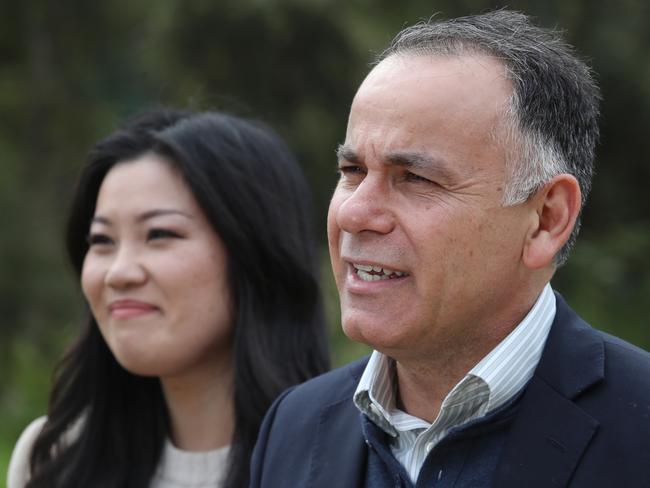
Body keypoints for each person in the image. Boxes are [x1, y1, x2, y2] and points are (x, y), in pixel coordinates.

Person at [250, 9, 650, 487]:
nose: (354, 214)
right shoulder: (294, 426)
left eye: (415, 179)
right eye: (352, 172)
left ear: (546, 219)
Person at [7, 108, 330, 488]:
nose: (119, 272)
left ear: (254, 254)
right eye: (102, 241)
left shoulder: (347, 463)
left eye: (159, 234)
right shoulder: (54, 460)